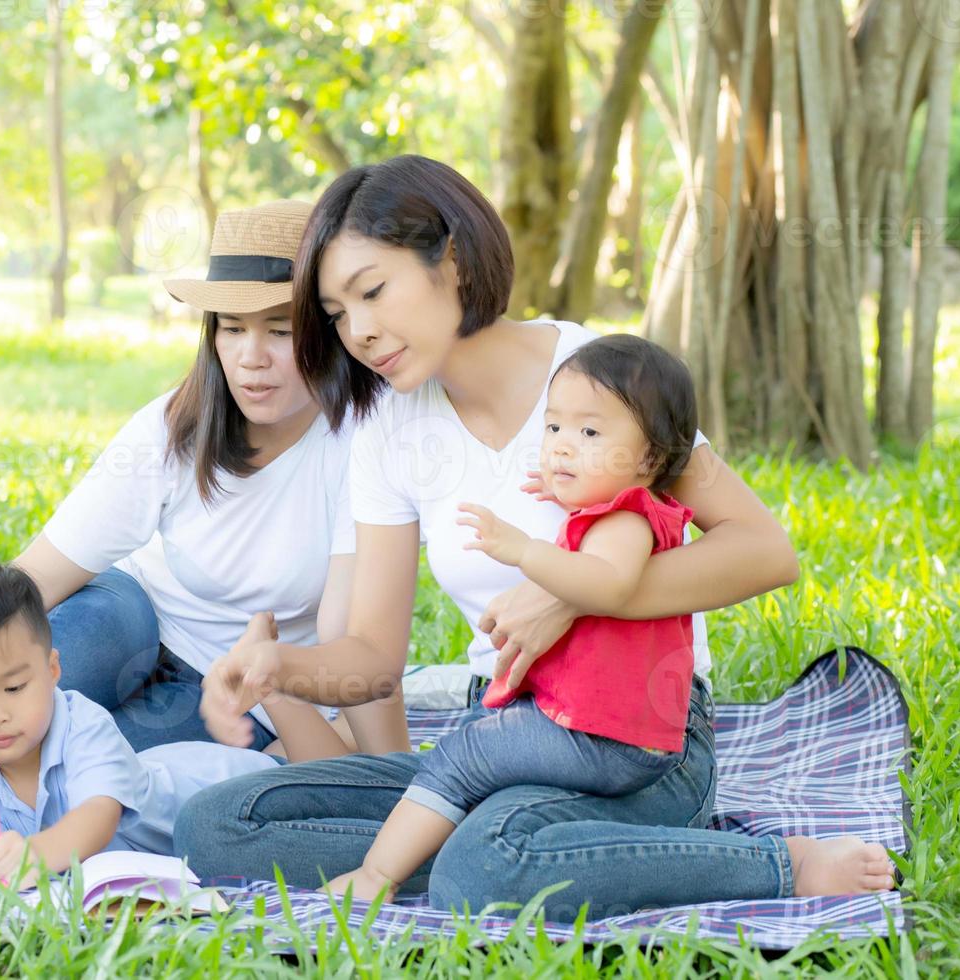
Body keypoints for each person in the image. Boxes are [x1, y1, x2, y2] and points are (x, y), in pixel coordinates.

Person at [180, 155, 894, 920]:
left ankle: (772, 864)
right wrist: (274, 668)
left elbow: (762, 550)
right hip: (501, 737)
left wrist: (570, 595)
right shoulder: (388, 428)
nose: (359, 332)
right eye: (336, 314)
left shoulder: (596, 380)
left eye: (373, 292)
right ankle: (529, 854)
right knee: (217, 827)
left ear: (451, 259)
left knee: (487, 866)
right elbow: (373, 662)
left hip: (639, 739)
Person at [0, 200, 408, 776]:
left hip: (227, 688)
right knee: (8, 673)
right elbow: (37, 576)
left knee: (80, 776)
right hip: (135, 615)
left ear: (328, 332)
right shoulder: (175, 425)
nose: (251, 359)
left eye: (281, 330)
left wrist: (384, 772)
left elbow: (354, 641)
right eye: (232, 328)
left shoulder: (365, 442)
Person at [327, 334, 707, 901]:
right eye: (553, 428)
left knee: (465, 755)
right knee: (471, 769)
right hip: (598, 725)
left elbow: (607, 584)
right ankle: (465, 853)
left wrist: (524, 549)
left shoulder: (628, 520)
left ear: (650, 458)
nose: (561, 447)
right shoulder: (606, 514)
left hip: (612, 736)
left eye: (590, 433)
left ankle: (378, 876)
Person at [0, 556, 278, 891]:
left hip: (230, 790)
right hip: (154, 868)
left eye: (14, 687)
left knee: (311, 788)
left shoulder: (82, 725)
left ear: (53, 669)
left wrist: (34, 855)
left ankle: (262, 662)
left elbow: (98, 817)